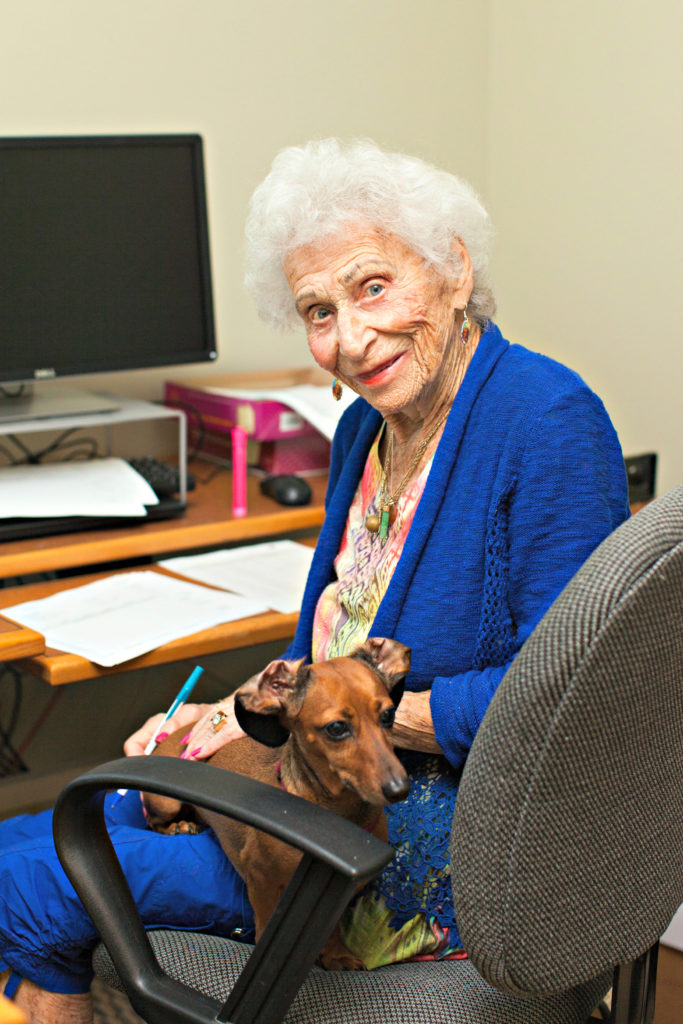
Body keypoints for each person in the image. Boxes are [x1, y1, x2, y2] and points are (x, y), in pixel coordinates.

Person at [0, 138, 630, 1022]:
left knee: (30, 877)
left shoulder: (546, 421)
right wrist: (224, 720)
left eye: (372, 287)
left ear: (453, 266)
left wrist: (357, 721)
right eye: (317, 310)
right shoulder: (362, 433)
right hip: (317, 781)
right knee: (29, 832)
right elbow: (317, 657)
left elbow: (566, 701)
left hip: (417, 837)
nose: (351, 336)